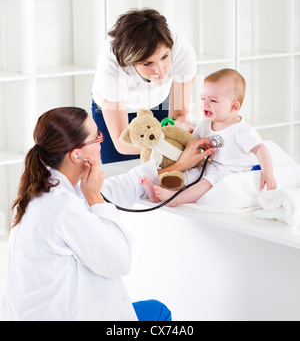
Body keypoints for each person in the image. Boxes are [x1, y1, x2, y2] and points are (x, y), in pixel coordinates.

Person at [0, 107, 213, 321]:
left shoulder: (46, 189)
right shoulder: (63, 207)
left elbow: (124, 185)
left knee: (152, 309)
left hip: (51, 311)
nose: (101, 141)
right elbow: (119, 261)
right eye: (96, 137)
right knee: (158, 313)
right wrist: (95, 198)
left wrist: (179, 164)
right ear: (77, 154)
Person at [142, 68, 277, 207]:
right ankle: (157, 191)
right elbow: (190, 142)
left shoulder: (241, 130)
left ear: (233, 106)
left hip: (230, 171)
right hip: (208, 165)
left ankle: (176, 199)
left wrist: (268, 173)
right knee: (187, 174)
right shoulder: (204, 123)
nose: (205, 104)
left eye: (213, 100)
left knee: (206, 183)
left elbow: (261, 149)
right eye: (202, 98)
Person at [92, 8, 197, 164]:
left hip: (157, 104)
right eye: (148, 63)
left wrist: (183, 129)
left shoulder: (182, 51)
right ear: (130, 61)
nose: (160, 70)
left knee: (164, 165)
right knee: (117, 170)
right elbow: (121, 142)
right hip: (115, 110)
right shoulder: (110, 67)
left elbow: (179, 115)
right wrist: (165, 144)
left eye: (165, 57)